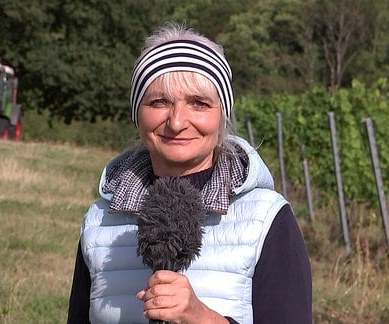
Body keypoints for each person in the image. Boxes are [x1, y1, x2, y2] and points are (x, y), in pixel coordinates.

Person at [67, 22, 312, 324]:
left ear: (221, 116)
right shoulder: (99, 222)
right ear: (137, 113)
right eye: (159, 102)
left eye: (199, 103)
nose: (177, 122)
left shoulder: (267, 220)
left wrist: (200, 317)